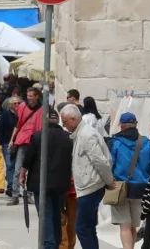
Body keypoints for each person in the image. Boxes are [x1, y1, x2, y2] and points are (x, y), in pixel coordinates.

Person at [60, 103, 115, 249]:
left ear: (73, 118)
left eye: (64, 122)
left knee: (82, 228)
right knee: (88, 227)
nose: (64, 126)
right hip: (88, 186)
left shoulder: (86, 134)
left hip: (91, 187)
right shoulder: (81, 133)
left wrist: (109, 181)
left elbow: (100, 161)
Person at [21, 108, 73, 249]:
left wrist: (22, 174)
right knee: (57, 214)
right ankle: (55, 242)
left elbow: (28, 159)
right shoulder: (68, 137)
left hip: (40, 183)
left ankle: (49, 245)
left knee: (45, 216)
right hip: (61, 183)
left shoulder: (38, 136)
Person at [107, 112, 150, 249]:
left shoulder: (116, 143)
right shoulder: (147, 143)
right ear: (135, 124)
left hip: (120, 188)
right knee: (134, 226)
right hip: (141, 189)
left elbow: (110, 164)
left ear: (122, 125)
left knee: (124, 227)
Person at [9, 87, 44, 206]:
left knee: (32, 169)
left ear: (37, 96)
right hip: (23, 141)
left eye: (31, 96)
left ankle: (28, 194)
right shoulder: (23, 107)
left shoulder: (43, 109)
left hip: (35, 141)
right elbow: (18, 124)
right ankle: (14, 195)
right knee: (18, 169)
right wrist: (12, 140)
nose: (28, 98)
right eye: (28, 96)